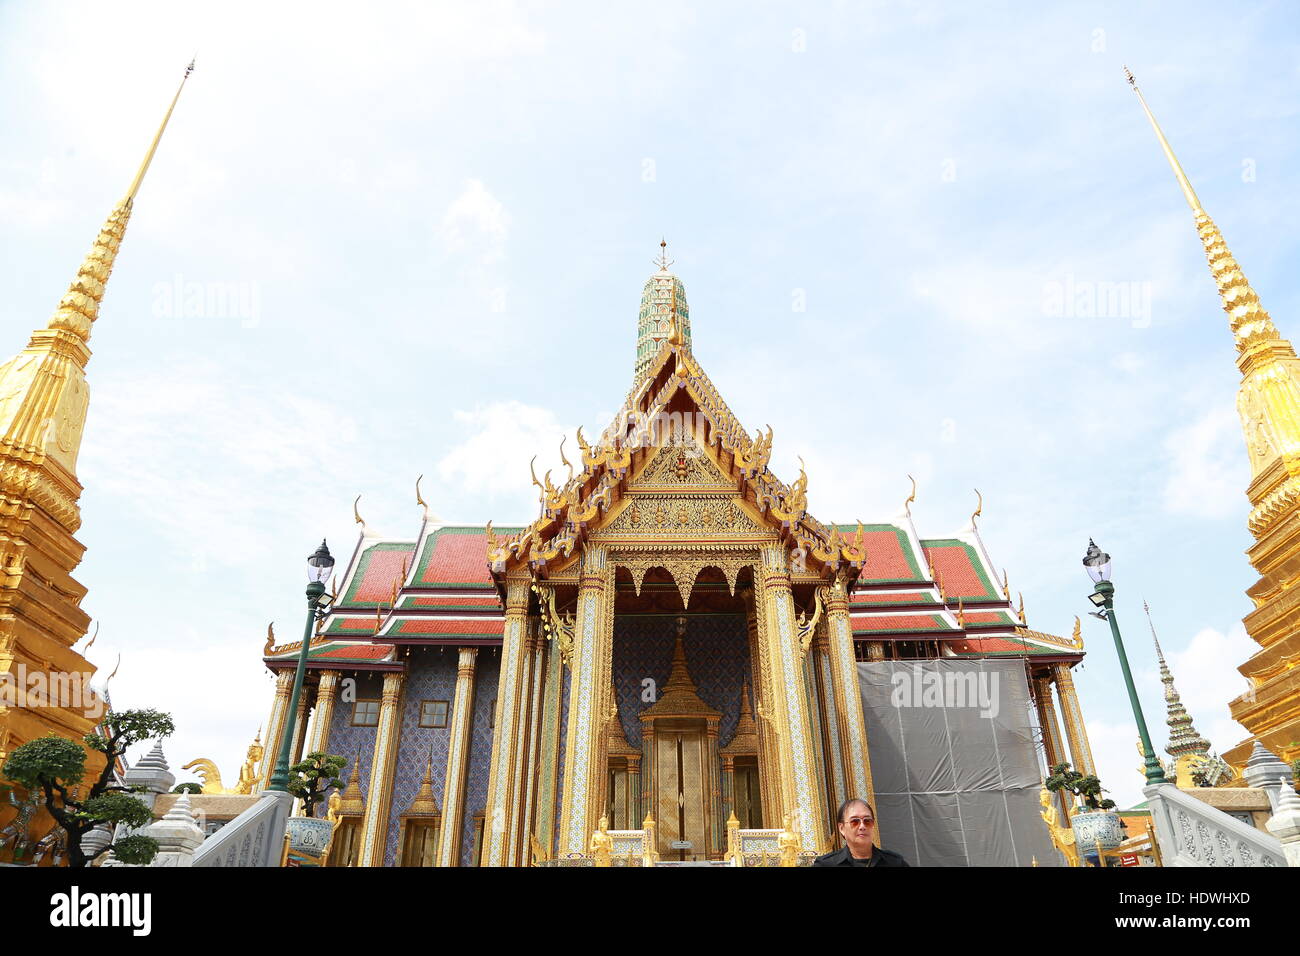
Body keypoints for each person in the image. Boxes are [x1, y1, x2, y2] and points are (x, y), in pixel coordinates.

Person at [813, 798, 910, 867]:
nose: (862, 826)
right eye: (855, 822)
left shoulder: (895, 863)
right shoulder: (826, 864)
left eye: (867, 821)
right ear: (842, 828)